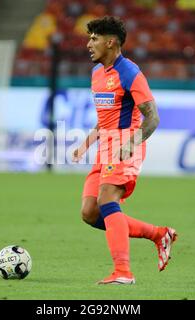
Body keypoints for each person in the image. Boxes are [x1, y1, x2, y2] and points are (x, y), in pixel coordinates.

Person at [72, 16, 178, 285]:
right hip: (104, 147)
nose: (88, 44)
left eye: (94, 38)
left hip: (125, 145)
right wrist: (87, 143)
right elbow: (105, 116)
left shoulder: (130, 72)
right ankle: (158, 234)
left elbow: (152, 117)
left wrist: (131, 144)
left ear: (111, 42)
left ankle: (123, 271)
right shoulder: (97, 74)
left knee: (108, 200)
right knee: (90, 212)